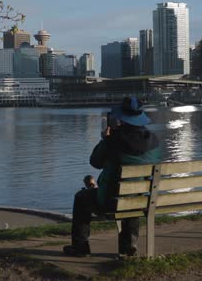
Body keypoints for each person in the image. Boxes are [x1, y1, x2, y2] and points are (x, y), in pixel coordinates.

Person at [63, 96, 161, 258]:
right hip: (143, 199)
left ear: (121, 118)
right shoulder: (154, 141)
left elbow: (95, 162)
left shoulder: (113, 141)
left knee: (82, 197)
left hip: (111, 200)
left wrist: (105, 140)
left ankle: (80, 247)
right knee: (133, 197)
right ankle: (129, 245)